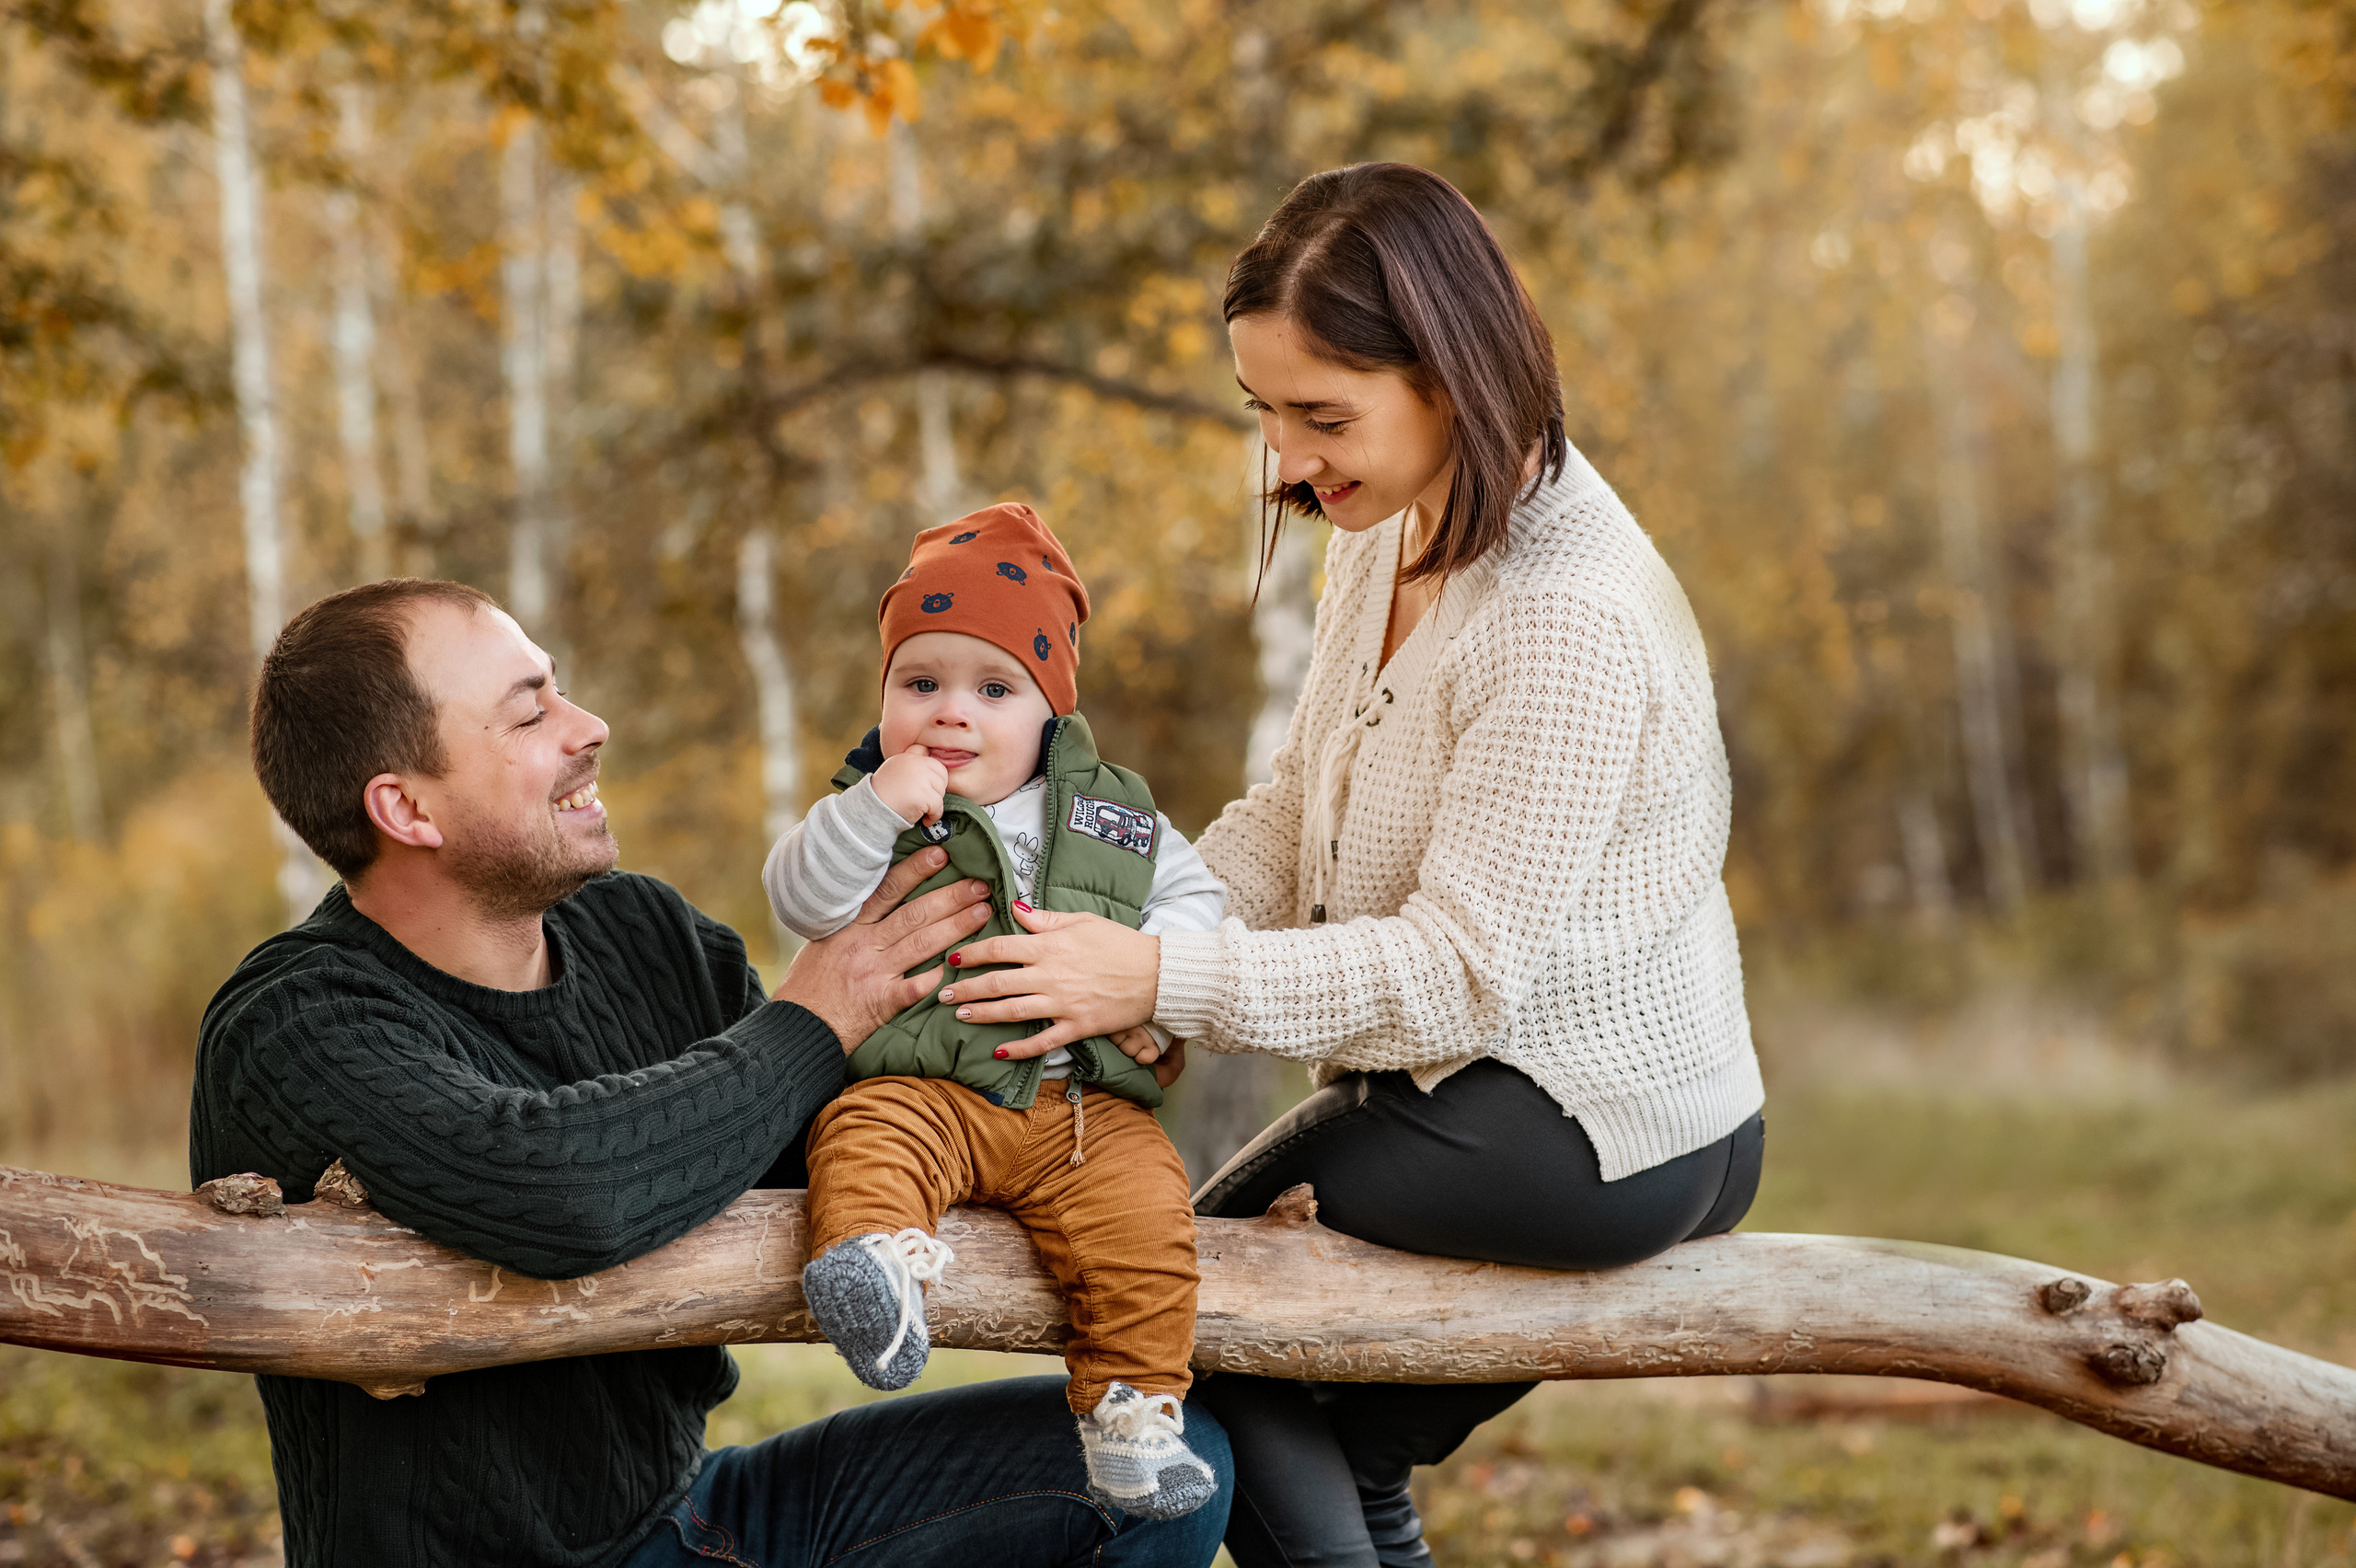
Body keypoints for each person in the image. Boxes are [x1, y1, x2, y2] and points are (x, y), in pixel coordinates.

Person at [920, 162, 1768, 1568]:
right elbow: (1291, 807)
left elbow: (1457, 975)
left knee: (1181, 1302)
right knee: (1343, 1456)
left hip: (1591, 1122)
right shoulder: (1394, 530)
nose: (1289, 460)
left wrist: (1162, 977)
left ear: (1451, 372)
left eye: (1323, 416)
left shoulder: (1562, 614)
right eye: (1264, 411)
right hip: (1514, 1091)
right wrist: (1128, 932)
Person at [191, 576, 1232, 1568]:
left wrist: (1072, 1040)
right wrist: (814, 1015)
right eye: (530, 713)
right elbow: (562, 1193)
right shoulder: (296, 1022)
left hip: (690, 1516)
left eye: (559, 688)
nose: (589, 726)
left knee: (1163, 1475)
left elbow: (811, 1138)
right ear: (408, 811)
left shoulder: (640, 930)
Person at [764, 502, 1227, 1519]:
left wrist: (1156, 984)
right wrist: (875, 807)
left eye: (993, 688)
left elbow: (1197, 900)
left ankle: (1133, 1419)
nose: (950, 714)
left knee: (1150, 1222)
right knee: (865, 1136)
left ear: (1050, 712)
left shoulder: (1113, 814)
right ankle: (875, 1273)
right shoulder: (869, 811)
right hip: (928, 1083)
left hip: (1081, 1107)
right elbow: (799, 898)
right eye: (919, 684)